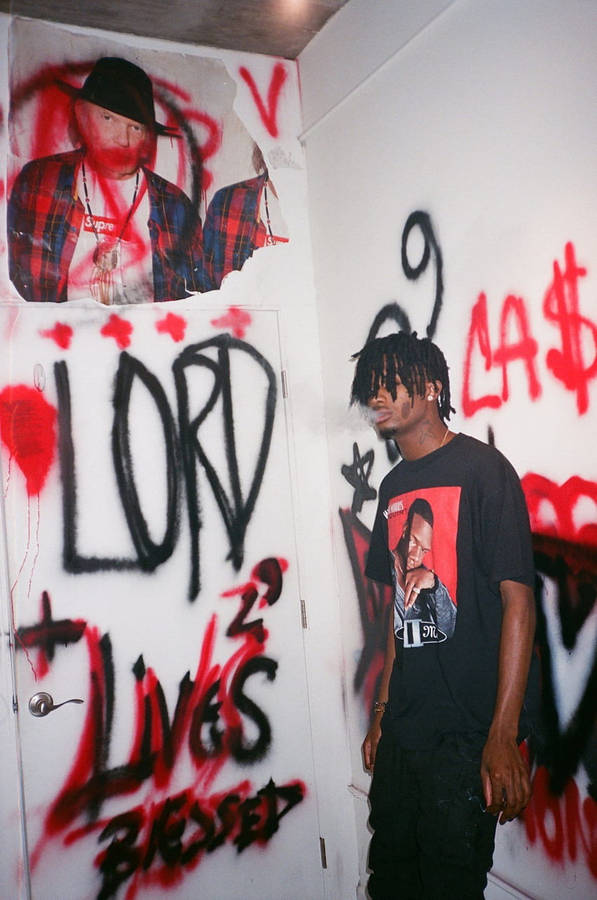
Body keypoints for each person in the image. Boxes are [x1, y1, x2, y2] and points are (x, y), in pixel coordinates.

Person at [352, 331, 537, 899]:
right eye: (370, 387)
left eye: (390, 382)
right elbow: (398, 610)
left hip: (466, 736)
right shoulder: (393, 487)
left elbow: (519, 602)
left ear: (432, 387)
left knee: (450, 888)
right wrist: (382, 710)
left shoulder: (485, 471)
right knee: (391, 881)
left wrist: (502, 735)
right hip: (406, 729)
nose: (377, 396)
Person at [8, 57, 207, 304]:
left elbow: (197, 303)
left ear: (147, 137)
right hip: (59, 339)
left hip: (144, 341)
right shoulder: (39, 182)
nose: (122, 139)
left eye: (135, 127)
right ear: (82, 115)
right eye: (108, 118)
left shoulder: (176, 207)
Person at [391, 496, 456, 643]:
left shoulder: (425, 577)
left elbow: (451, 628)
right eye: (413, 541)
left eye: (424, 550)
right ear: (405, 530)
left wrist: (435, 585)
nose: (415, 556)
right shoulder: (388, 569)